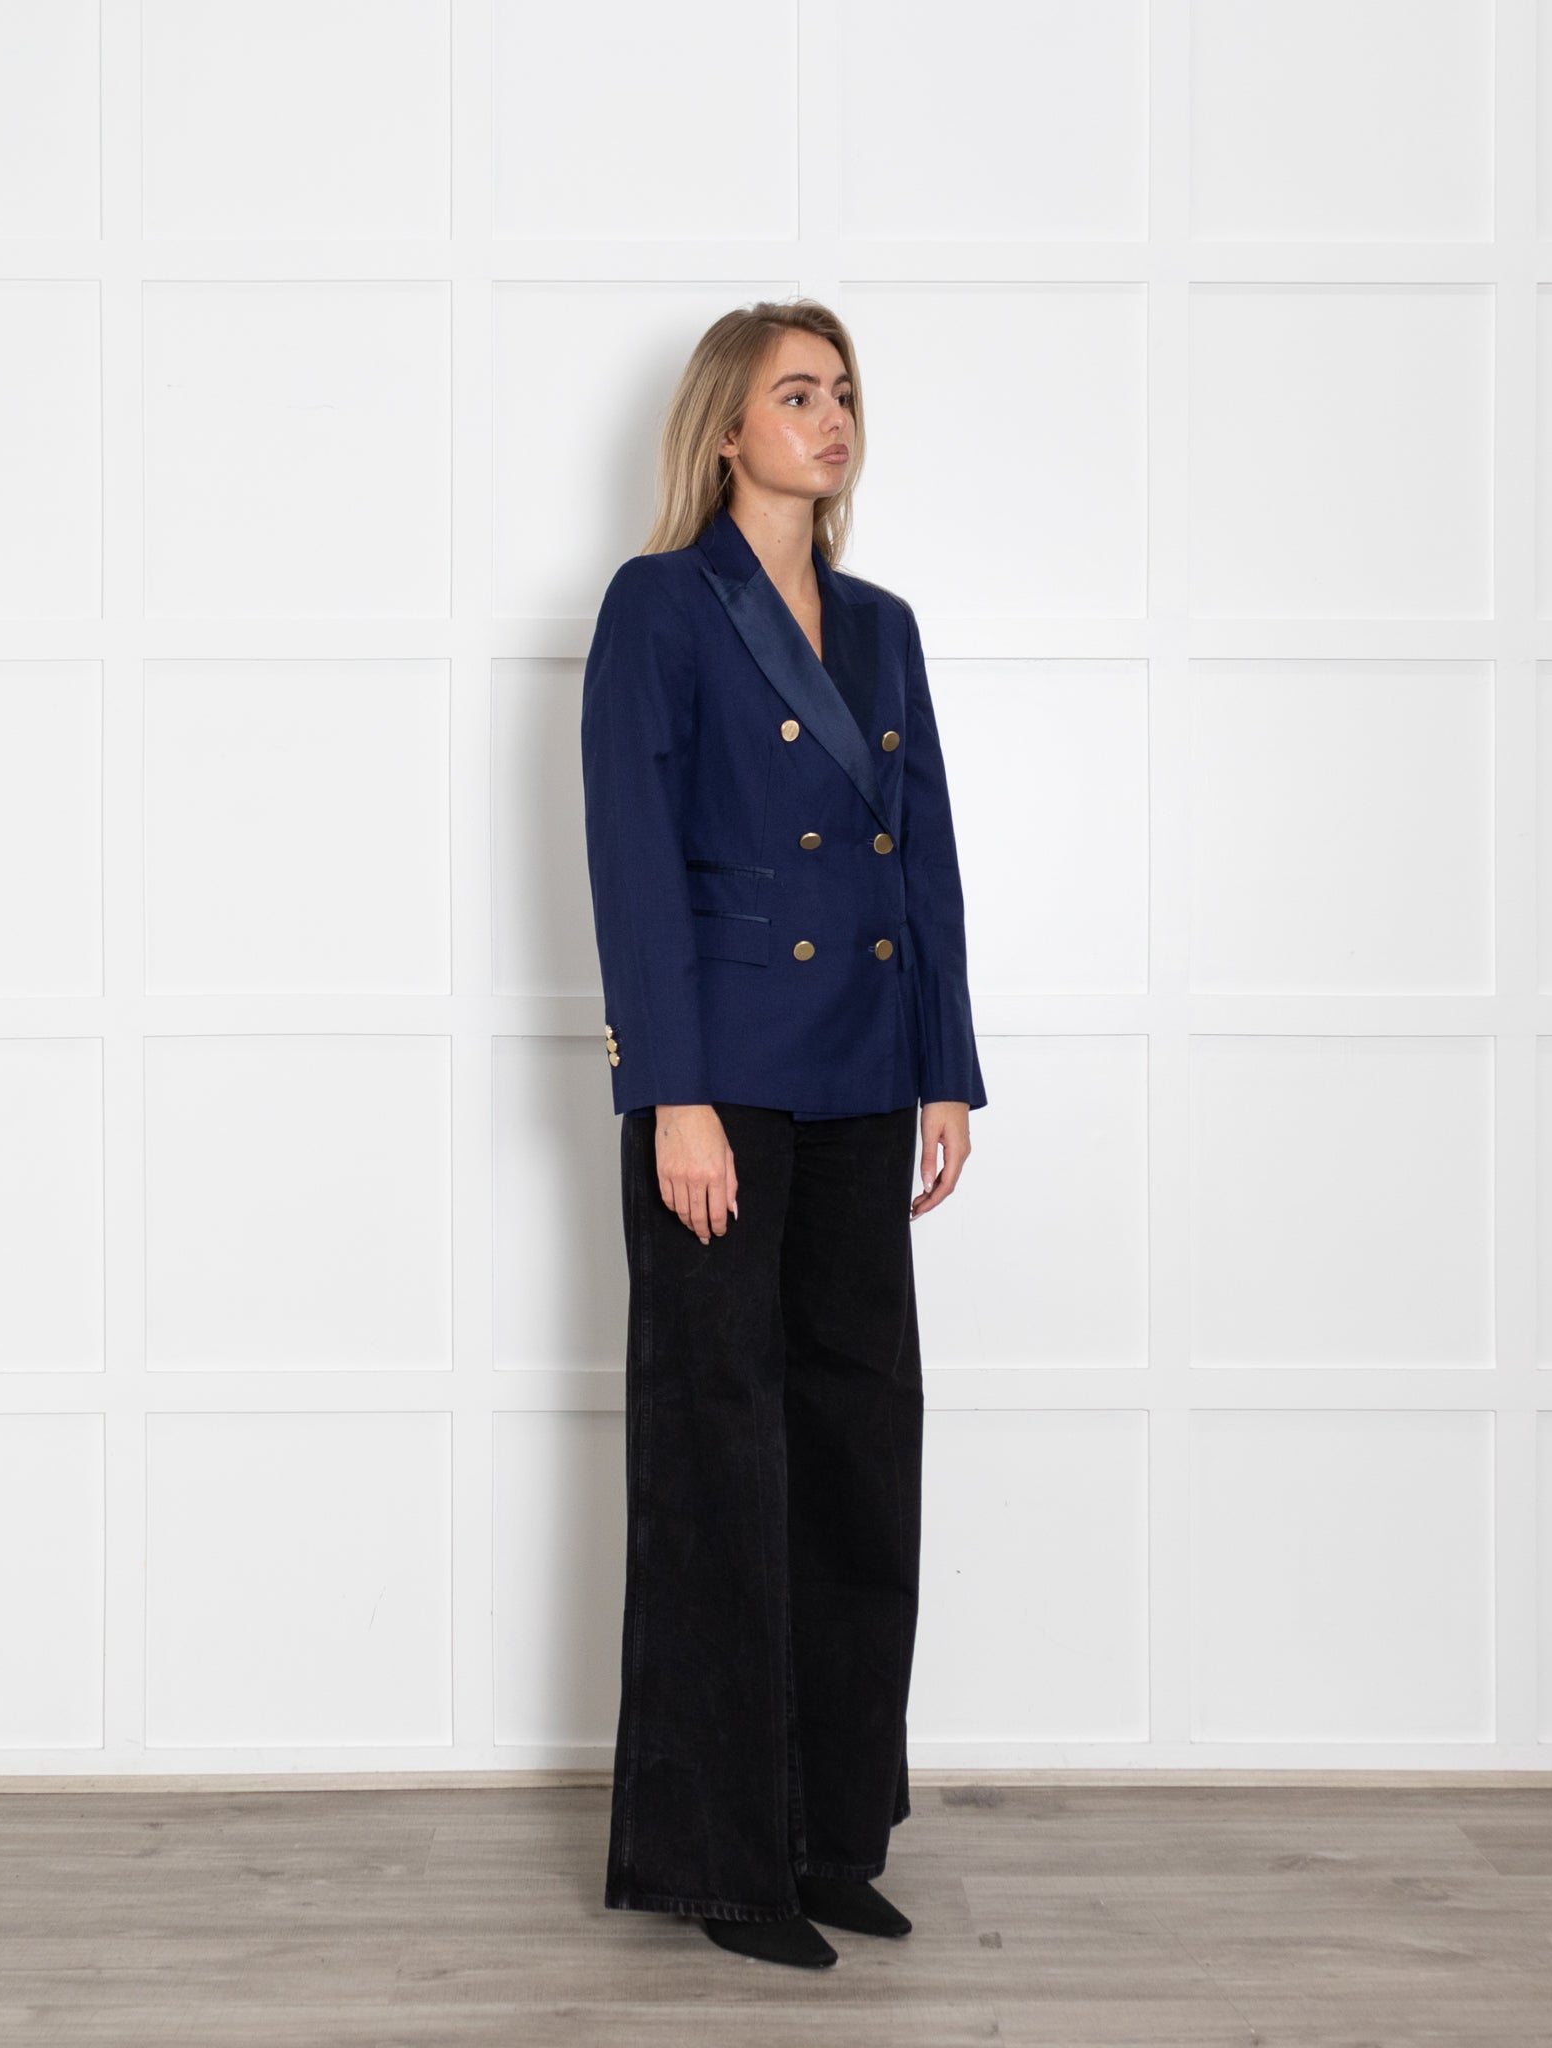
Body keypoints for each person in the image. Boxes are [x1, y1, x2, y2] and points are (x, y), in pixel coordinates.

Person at [579, 298, 987, 1971]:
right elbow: (631, 853)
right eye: (797, 394)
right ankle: (723, 1860)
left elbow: (923, 855)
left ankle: (831, 1839)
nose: (831, 419)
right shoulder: (661, 604)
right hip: (726, 1089)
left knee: (859, 1452)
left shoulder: (883, 627)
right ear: (729, 428)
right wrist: (671, 1092)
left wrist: (945, 1068)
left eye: (843, 393)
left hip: (864, 1079)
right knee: (718, 1461)